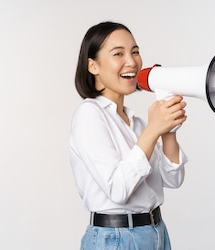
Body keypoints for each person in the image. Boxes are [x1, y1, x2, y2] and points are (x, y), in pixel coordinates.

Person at [70, 21, 189, 250]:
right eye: (118, 53)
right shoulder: (89, 114)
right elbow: (118, 190)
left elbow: (174, 180)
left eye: (135, 52)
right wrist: (154, 129)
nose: (132, 61)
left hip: (157, 232)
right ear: (93, 66)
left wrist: (168, 131)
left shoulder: (136, 123)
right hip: (116, 238)